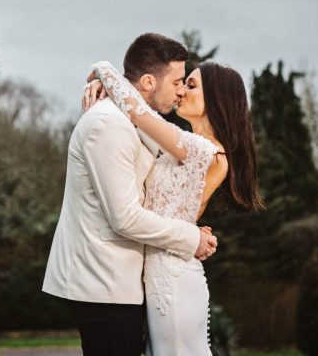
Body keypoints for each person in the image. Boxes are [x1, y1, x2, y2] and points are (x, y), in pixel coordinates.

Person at [42, 33, 218, 356]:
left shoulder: (130, 121)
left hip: (123, 282)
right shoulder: (108, 124)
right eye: (178, 81)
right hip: (103, 282)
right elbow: (125, 216)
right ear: (149, 81)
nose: (180, 91)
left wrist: (107, 78)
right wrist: (190, 237)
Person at [83, 59, 264, 356]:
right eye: (181, 84)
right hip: (161, 272)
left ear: (217, 99)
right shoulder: (186, 145)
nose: (180, 91)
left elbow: (138, 114)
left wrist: (104, 69)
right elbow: (132, 119)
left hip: (174, 280)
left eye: (191, 85)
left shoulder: (201, 149)